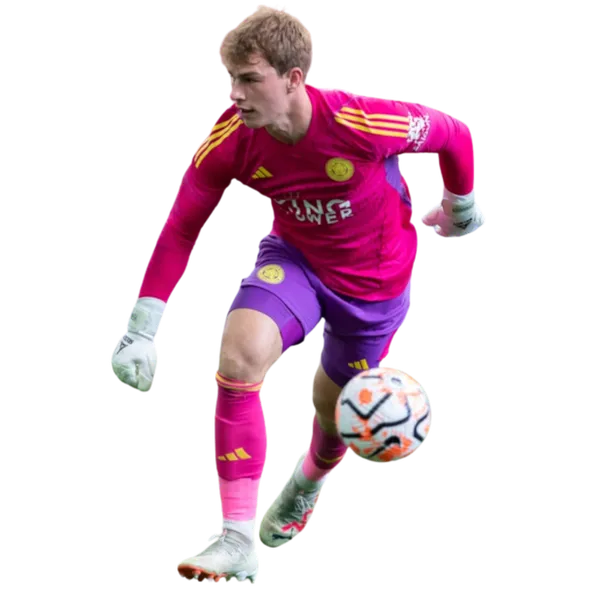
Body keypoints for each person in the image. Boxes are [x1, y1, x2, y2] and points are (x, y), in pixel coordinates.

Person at [110, 3, 485, 585]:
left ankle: (306, 484)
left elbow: (453, 134)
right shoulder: (232, 138)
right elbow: (182, 227)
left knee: (334, 418)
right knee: (238, 358)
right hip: (297, 263)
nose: (235, 93)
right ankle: (236, 537)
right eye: (230, 78)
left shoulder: (363, 121)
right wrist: (143, 325)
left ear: (292, 78)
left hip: (375, 286)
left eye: (249, 79)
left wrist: (460, 206)